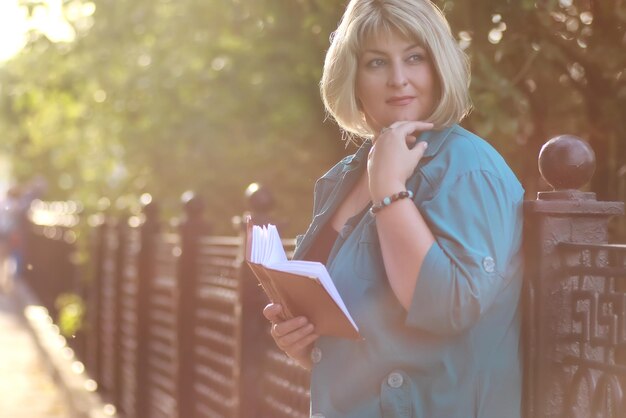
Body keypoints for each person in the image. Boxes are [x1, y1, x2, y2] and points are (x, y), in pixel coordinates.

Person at [262, 0, 524, 417]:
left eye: (414, 58)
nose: (398, 80)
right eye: (377, 63)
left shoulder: (470, 169)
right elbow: (358, 325)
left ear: (438, 66)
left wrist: (387, 189)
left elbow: (448, 307)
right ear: (354, 78)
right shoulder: (341, 178)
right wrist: (303, 342)